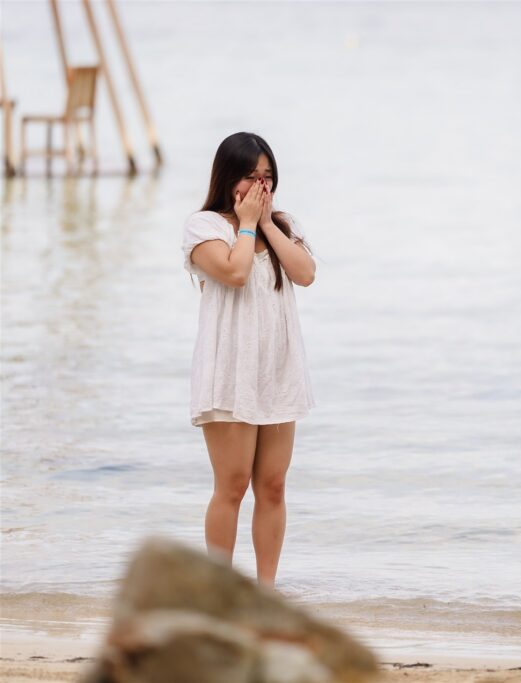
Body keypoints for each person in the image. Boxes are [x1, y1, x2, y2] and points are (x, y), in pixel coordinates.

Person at [181, 132, 316, 587]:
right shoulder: (204, 227)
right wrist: (244, 224)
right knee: (233, 486)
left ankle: (265, 594)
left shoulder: (283, 225)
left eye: (267, 176)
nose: (260, 186)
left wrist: (267, 224)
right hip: (229, 373)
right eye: (250, 176)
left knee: (273, 486)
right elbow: (235, 273)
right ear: (226, 178)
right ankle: (220, 592)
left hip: (277, 372)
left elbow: (306, 273)